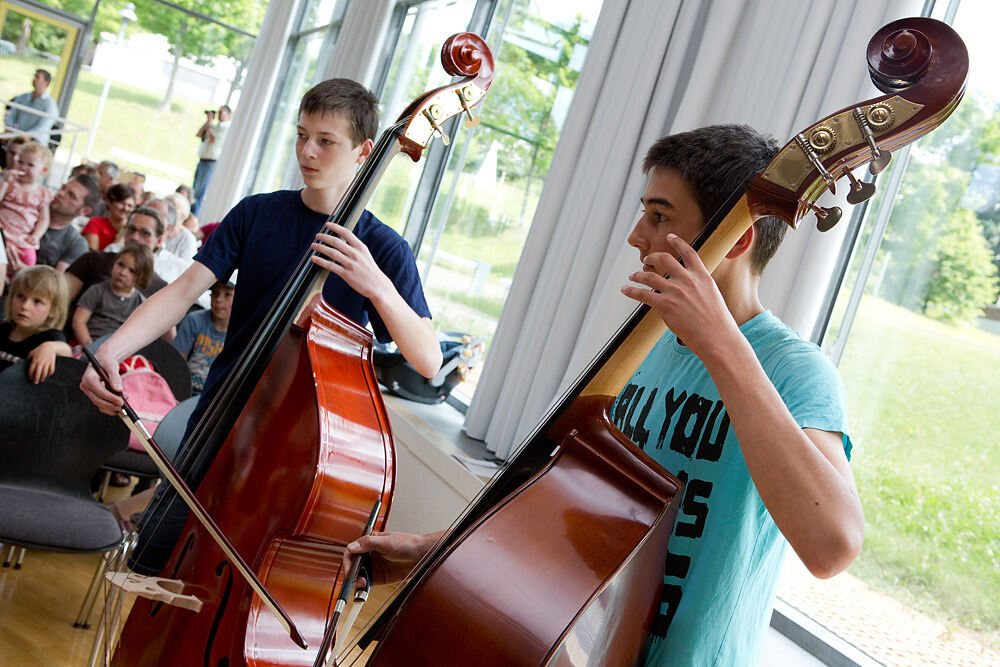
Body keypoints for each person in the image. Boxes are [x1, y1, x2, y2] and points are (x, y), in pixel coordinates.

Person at [341, 125, 863, 665]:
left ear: (736, 239)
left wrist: (721, 344)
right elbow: (578, 518)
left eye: (660, 216)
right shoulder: (647, 349)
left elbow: (832, 547)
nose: (638, 234)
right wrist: (439, 550)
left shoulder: (795, 370)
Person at [81, 78, 443, 576]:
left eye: (325, 141)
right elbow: (182, 292)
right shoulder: (257, 213)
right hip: (219, 417)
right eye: (301, 135)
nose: (306, 151)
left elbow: (427, 359)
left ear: (363, 151)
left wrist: (377, 286)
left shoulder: (381, 249)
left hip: (300, 449)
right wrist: (108, 350)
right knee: (154, 564)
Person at [71, 244, 153, 347]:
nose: (122, 272)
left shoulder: (140, 303)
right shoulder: (97, 290)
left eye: (132, 271)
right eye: (120, 265)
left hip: (119, 351)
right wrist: (90, 347)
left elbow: (139, 336)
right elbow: (78, 322)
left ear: (142, 278)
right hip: (90, 344)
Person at [0, 265, 72, 383]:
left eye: (37, 301)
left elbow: (66, 350)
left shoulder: (49, 337)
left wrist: (50, 347)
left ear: (53, 310)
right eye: (20, 296)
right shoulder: (4, 328)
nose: (25, 306)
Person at [172, 278, 234, 392]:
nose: (219, 300)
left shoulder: (239, 333)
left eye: (227, 295)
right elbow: (176, 363)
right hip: (185, 389)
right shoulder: (193, 321)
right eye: (215, 293)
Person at [0, 140, 52, 275]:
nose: (23, 167)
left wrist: (36, 235)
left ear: (43, 170)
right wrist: (4, 183)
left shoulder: (43, 193)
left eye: (30, 165)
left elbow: (43, 219)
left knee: (29, 262)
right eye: (20, 162)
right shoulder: (10, 184)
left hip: (24, 238)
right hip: (3, 231)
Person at [38, 173, 101, 271]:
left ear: (84, 211)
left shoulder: (76, 244)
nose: (61, 193)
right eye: (63, 188)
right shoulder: (29, 210)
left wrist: (21, 269)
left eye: (71, 195)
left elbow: (56, 283)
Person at [191, 105, 231, 215]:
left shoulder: (226, 128)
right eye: (218, 112)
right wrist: (207, 122)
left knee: (199, 193)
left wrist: (209, 123)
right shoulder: (215, 126)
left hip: (210, 163)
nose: (219, 115)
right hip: (202, 161)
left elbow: (213, 140)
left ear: (229, 115)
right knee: (193, 191)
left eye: (222, 112)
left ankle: (194, 216)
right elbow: (199, 134)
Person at [3, 69, 60, 146]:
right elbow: (11, 114)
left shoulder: (50, 105)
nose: (34, 79)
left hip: (35, 140)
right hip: (15, 136)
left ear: (46, 83)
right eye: (34, 76)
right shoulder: (23, 97)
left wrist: (24, 137)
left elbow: (42, 126)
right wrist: (9, 129)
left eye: (37, 77)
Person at [81, 183, 135, 250]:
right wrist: (123, 236)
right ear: (109, 202)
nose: (125, 209)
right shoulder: (95, 223)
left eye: (130, 206)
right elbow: (91, 258)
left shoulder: (135, 232)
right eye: (121, 203)